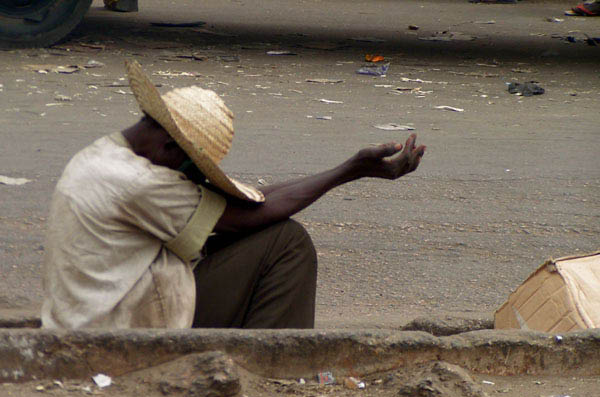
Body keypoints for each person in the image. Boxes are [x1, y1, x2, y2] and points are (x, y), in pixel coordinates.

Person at [41, 60, 426, 330]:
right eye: (190, 170)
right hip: (116, 329)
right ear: (171, 149)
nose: (188, 179)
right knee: (286, 243)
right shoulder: (139, 181)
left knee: (254, 235)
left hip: (97, 313)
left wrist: (349, 169)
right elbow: (246, 216)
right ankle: (272, 370)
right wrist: (349, 171)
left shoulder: (106, 155)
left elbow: (249, 203)